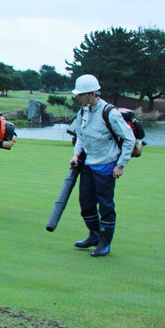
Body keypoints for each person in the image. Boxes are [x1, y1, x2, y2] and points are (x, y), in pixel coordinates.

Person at [69, 74, 135, 257]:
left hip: (106, 165)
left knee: (105, 206)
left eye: (81, 95)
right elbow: (80, 137)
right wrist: (75, 155)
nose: (78, 98)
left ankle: (105, 243)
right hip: (88, 165)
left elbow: (129, 139)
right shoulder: (82, 112)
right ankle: (94, 235)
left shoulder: (109, 112)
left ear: (92, 94)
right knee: (85, 203)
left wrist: (121, 165)